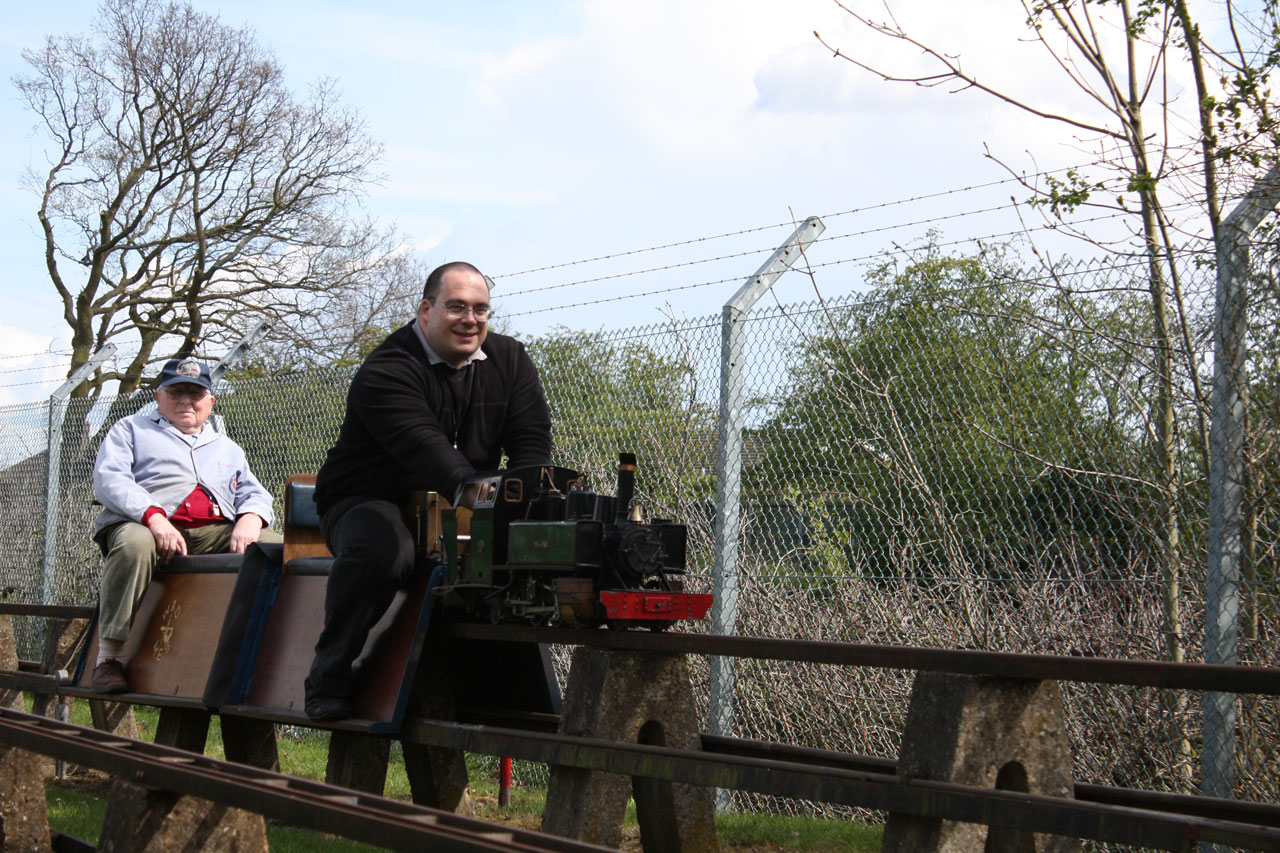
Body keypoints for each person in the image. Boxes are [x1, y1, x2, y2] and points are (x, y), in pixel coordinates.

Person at [305, 260, 552, 721]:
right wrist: (486, 497)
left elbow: (531, 443)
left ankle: (506, 699)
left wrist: (528, 503)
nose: (470, 319)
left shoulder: (511, 359)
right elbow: (427, 451)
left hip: (465, 499)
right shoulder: (387, 369)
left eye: (480, 309)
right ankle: (328, 674)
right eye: (456, 306)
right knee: (383, 552)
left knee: (529, 542)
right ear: (425, 310)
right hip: (368, 498)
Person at [90, 357, 279, 693]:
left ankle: (265, 653)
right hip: (144, 526)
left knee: (274, 546)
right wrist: (153, 516)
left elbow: (255, 492)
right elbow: (109, 480)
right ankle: (109, 658)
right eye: (176, 392)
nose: (185, 401)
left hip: (213, 534)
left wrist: (251, 518)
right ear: (159, 396)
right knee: (135, 543)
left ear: (210, 401)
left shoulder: (227, 447)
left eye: (195, 394)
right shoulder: (131, 429)